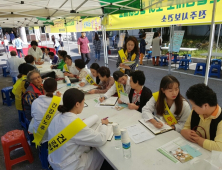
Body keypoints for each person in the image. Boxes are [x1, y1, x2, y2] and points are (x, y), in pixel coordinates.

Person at [48, 88, 109, 170]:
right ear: (77, 104)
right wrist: (104, 125)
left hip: (55, 160)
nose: (83, 104)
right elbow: (101, 139)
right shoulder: (74, 124)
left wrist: (79, 124)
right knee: (101, 153)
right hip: (69, 166)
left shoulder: (57, 117)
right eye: (83, 102)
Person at [181, 84, 222, 151]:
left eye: (194, 106)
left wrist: (197, 139)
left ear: (205, 106)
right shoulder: (196, 112)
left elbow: (219, 147)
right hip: (195, 148)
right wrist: (184, 132)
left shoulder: (220, 119)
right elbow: (186, 127)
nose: (193, 108)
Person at [31, 78, 62, 168]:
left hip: (41, 135)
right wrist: (58, 98)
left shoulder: (35, 102)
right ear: (56, 88)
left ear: (43, 88)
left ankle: (44, 161)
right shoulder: (59, 101)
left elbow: (33, 116)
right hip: (55, 134)